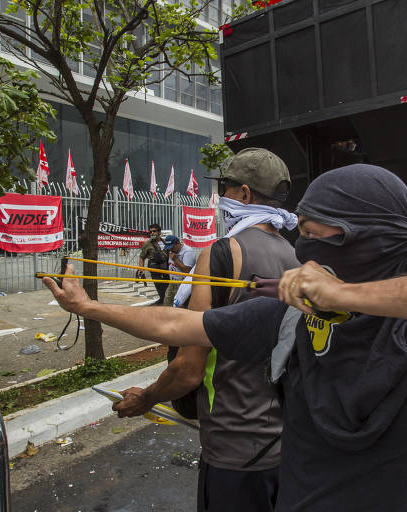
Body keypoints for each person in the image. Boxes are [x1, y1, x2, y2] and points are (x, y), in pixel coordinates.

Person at [44, 164, 407, 511]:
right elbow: (181, 326)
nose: (305, 246)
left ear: (371, 233)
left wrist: (347, 293)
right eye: (299, 229)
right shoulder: (292, 316)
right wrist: (88, 308)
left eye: (319, 232)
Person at [114, 147, 299, 512]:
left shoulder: (221, 253)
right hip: (287, 447)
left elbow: (189, 368)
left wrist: (147, 397)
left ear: (244, 194)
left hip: (234, 451)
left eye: (226, 188)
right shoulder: (296, 258)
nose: (220, 198)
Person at [161, 235, 197, 307]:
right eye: (169, 247)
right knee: (167, 303)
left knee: (179, 305)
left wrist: (175, 259)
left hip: (183, 282)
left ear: (178, 243)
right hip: (173, 281)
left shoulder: (188, 251)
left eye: (172, 246)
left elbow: (187, 270)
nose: (170, 249)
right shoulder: (171, 252)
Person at [138, 223, 169, 304]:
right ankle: (162, 299)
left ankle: (166, 299)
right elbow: (142, 257)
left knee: (167, 283)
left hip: (165, 266)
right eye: (150, 231)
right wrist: (141, 269)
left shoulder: (165, 242)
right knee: (158, 284)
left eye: (154, 231)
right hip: (154, 266)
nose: (152, 233)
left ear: (159, 232)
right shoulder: (147, 244)